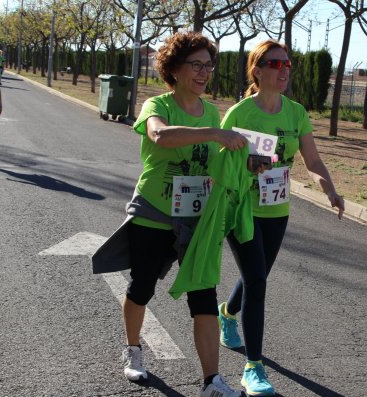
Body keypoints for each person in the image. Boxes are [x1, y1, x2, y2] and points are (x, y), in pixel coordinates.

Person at [114, 32, 248, 397]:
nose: (205, 72)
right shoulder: (157, 105)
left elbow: (215, 161)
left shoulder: (211, 111)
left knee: (203, 295)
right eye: (196, 64)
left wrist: (247, 161)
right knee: (142, 286)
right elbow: (160, 137)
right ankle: (134, 351)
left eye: (209, 65)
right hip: (153, 212)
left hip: (195, 218)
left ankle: (211, 381)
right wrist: (214, 133)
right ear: (174, 68)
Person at [217, 39, 345, 396]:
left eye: (287, 64)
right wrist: (253, 164)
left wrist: (329, 189)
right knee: (257, 281)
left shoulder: (296, 113)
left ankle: (227, 312)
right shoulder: (240, 114)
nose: (284, 69)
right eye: (275, 64)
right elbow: (222, 160)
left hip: (277, 210)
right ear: (257, 71)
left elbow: (313, 160)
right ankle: (253, 368)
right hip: (241, 207)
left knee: (255, 275)